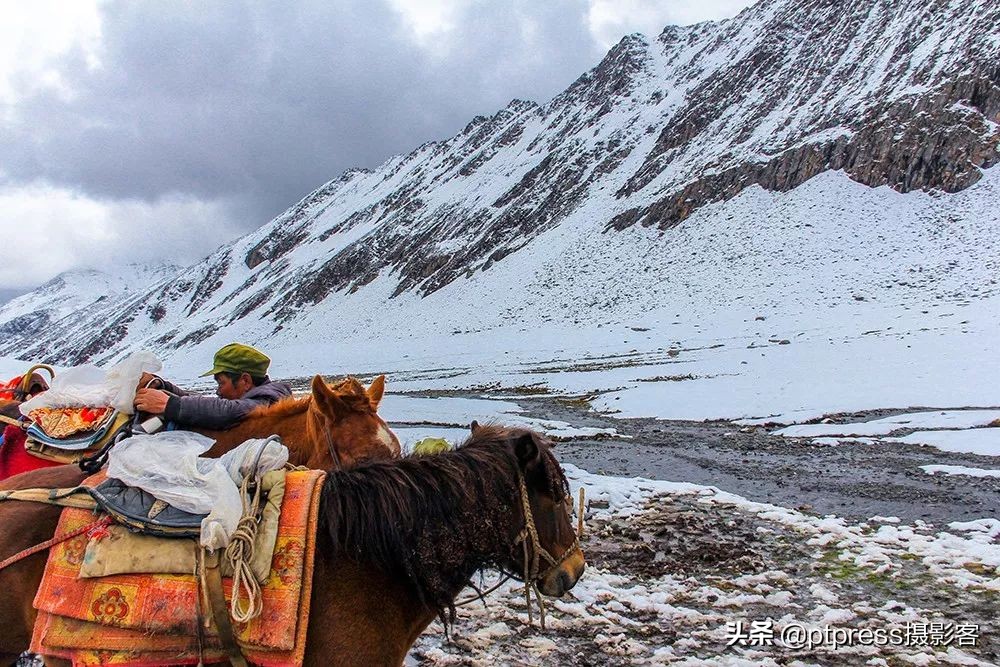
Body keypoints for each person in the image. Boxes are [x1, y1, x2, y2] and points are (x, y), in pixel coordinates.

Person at [133, 343, 292, 430]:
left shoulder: (268, 403)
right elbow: (206, 406)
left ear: (245, 381)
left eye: (221, 382)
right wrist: (164, 386)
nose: (218, 391)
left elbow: (226, 411)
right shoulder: (261, 396)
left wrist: (169, 405)